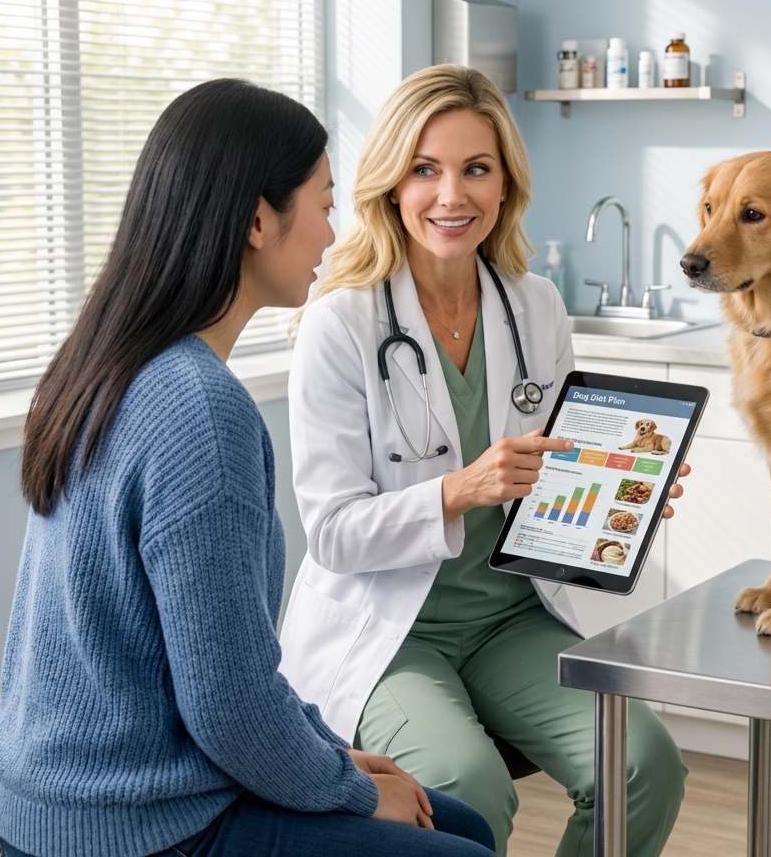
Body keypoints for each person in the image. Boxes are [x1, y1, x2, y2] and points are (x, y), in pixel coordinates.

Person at [0, 80, 496, 857]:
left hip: (45, 799)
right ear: (261, 219)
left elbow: (224, 673)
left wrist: (327, 756)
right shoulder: (202, 410)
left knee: (458, 819)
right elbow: (226, 703)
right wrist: (350, 788)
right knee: (460, 846)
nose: (333, 234)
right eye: (325, 204)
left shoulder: (103, 363)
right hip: (138, 822)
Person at [278, 65, 689, 857]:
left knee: (646, 763)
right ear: (393, 184)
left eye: (476, 169)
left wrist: (622, 495)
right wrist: (459, 490)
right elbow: (332, 533)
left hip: (511, 617)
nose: (451, 196)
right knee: (465, 787)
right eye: (426, 170)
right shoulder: (342, 323)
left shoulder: (533, 305)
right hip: (392, 630)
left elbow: (558, 475)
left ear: (506, 185)